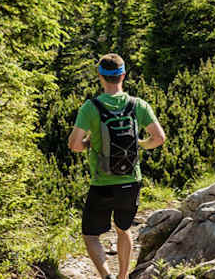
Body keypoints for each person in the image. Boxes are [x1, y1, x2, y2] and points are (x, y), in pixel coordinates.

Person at [69, 54, 166, 279]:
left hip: (102, 182)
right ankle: (123, 276)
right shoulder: (138, 105)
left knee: (91, 235)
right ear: (123, 75)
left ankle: (106, 276)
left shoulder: (91, 107)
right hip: (131, 180)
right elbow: (159, 138)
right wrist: (140, 143)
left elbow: (74, 145)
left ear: (100, 76)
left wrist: (89, 143)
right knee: (123, 229)